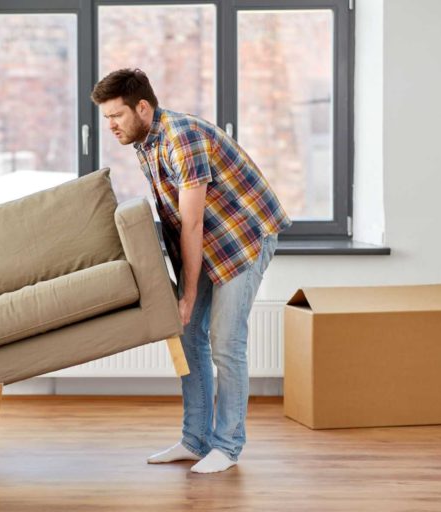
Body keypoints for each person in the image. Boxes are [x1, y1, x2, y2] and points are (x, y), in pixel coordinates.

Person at [91, 68, 292, 474]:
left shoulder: (181, 138)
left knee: (225, 341)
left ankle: (227, 446)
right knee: (187, 336)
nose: (110, 126)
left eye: (116, 116)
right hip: (208, 239)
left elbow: (193, 223)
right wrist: (178, 289)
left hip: (243, 238)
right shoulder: (145, 141)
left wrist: (188, 293)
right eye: (106, 117)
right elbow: (174, 220)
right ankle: (195, 440)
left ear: (142, 107)